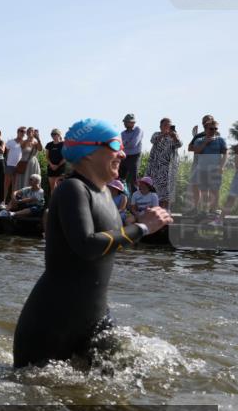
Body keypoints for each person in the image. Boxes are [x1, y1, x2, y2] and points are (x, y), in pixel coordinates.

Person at [13, 118, 172, 369]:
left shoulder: (106, 195)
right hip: (51, 322)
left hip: (94, 318)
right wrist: (142, 228)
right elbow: (86, 245)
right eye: (114, 145)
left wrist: (140, 223)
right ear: (88, 153)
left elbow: (108, 242)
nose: (121, 152)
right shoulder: (72, 189)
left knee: (137, 379)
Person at [187, 115, 228, 217]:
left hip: (215, 169)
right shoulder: (199, 140)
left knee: (215, 190)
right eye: (211, 128)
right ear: (205, 129)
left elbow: (225, 154)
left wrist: (222, 166)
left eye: (215, 128)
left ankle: (213, 210)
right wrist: (205, 143)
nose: (213, 130)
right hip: (202, 169)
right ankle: (204, 211)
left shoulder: (220, 140)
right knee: (204, 191)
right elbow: (196, 151)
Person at [146, 117, 182, 210]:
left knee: (167, 192)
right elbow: (153, 140)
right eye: (165, 125)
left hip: (168, 169)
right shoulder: (156, 134)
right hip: (155, 168)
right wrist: (163, 134)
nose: (168, 127)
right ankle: (155, 210)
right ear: (160, 126)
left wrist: (175, 136)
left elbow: (179, 144)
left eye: (169, 125)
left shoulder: (174, 136)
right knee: (155, 190)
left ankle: (166, 211)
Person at [119, 114, 143, 194]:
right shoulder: (122, 133)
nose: (125, 123)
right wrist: (125, 143)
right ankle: (123, 198)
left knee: (134, 179)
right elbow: (120, 145)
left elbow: (133, 143)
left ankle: (135, 200)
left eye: (127, 122)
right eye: (125, 122)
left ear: (132, 123)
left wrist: (124, 143)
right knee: (121, 179)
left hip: (134, 157)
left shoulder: (138, 130)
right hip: (124, 157)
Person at [16, 127, 42, 193]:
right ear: (26, 133)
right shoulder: (24, 141)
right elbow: (19, 151)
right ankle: (22, 195)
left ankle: (34, 196)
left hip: (33, 163)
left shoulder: (36, 142)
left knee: (33, 179)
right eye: (29, 131)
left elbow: (40, 149)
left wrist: (38, 138)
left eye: (32, 131)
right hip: (24, 162)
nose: (30, 132)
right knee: (23, 179)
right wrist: (27, 142)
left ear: (34, 133)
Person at [4, 127, 25, 203]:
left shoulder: (24, 142)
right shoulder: (10, 141)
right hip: (10, 164)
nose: (23, 133)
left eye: (24, 132)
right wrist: (7, 163)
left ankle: (12, 201)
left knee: (15, 185)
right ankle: (3, 201)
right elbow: (6, 153)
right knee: (6, 184)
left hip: (20, 166)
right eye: (21, 131)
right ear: (18, 132)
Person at [44, 128, 65, 194]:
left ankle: (61, 203)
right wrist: (51, 165)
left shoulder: (63, 144)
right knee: (52, 187)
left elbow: (65, 157)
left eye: (55, 134)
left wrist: (58, 165)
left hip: (61, 167)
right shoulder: (49, 145)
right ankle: (53, 203)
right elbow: (47, 157)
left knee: (61, 186)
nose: (53, 136)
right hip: (51, 167)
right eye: (52, 134)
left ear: (59, 135)